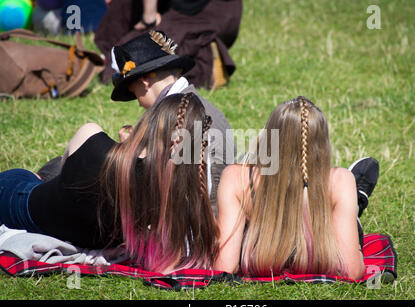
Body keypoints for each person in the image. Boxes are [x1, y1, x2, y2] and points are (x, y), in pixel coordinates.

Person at [0, 93, 219, 273]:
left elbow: (62, 181)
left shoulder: (91, 136)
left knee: (36, 178)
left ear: (150, 123)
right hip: (73, 229)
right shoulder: (174, 192)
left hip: (19, 203)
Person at [38, 30, 236, 215]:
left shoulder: (175, 114)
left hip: (188, 220)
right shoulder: (198, 106)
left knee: (85, 162)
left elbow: (161, 181)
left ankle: (39, 187)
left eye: (134, 93)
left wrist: (130, 148)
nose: (140, 104)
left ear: (144, 83)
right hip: (210, 214)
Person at [214, 96, 379, 280]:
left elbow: (225, 267)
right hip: (327, 219)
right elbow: (351, 271)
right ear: (322, 145)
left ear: (269, 137)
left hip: (263, 254)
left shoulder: (237, 178)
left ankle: (354, 204)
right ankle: (356, 203)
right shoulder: (340, 180)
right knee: (347, 210)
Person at [94, 0, 242, 89]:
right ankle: (103, 57)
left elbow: (149, 20)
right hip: (224, 11)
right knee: (122, 10)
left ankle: (208, 61)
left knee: (130, 61)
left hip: (206, 12)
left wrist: (149, 18)